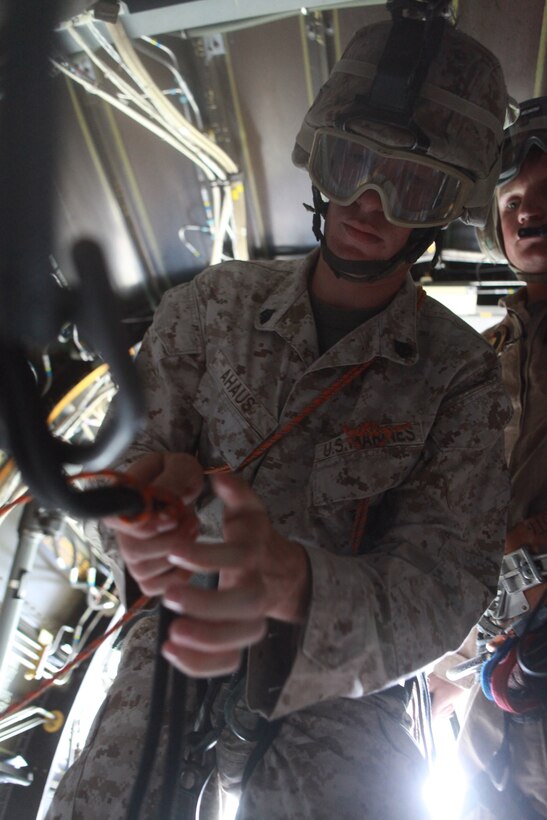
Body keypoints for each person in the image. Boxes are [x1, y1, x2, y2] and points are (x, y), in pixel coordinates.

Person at [47, 13, 512, 820]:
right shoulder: (209, 306)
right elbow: (119, 474)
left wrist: (294, 583)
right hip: (173, 633)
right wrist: (141, 509)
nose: (368, 203)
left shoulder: (462, 375)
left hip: (345, 679)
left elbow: (445, 585)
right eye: (351, 163)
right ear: (317, 158)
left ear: (446, 208)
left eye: (409, 183)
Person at [429, 97, 547, 819]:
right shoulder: (474, 363)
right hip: (485, 746)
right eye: (512, 198)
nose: (528, 210)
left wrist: (460, 646)